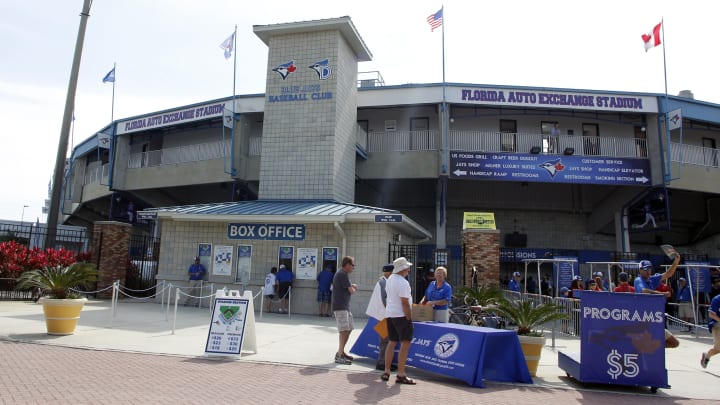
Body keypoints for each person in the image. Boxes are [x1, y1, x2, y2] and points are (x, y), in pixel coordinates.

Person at [382, 257, 416, 385]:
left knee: (392, 342)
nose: (408, 269)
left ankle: (387, 371)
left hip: (390, 314)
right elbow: (404, 302)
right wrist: (409, 316)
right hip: (401, 315)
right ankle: (401, 374)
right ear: (403, 269)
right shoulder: (403, 282)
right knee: (405, 344)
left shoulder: (390, 279)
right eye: (407, 267)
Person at [365, 263, 396, 371]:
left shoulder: (383, 281)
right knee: (385, 340)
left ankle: (384, 361)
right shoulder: (384, 283)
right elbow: (385, 299)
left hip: (383, 315)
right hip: (384, 316)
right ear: (388, 272)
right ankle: (382, 362)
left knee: (385, 340)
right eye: (393, 272)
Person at [332, 256, 357, 365]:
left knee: (349, 328)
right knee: (343, 330)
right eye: (352, 265)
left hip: (345, 306)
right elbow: (351, 291)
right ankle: (339, 355)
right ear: (346, 264)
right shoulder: (342, 274)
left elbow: (346, 287)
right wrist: (354, 287)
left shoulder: (343, 274)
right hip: (340, 306)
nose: (353, 267)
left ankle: (341, 351)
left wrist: (351, 286)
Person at [700, 292, 720, 368]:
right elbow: (711, 314)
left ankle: (707, 356)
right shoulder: (717, 299)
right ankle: (707, 356)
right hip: (718, 325)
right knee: (718, 349)